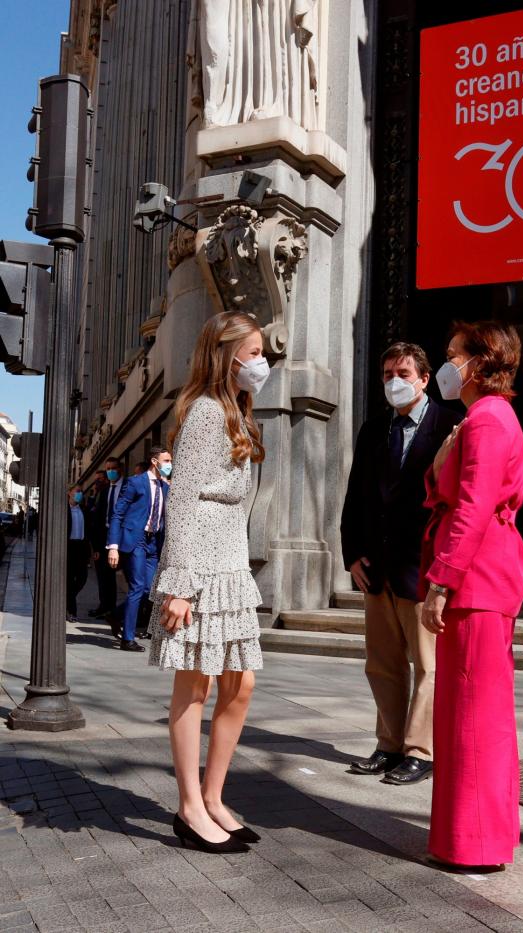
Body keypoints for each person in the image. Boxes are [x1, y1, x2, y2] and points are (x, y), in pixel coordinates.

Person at [147, 310, 267, 855]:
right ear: (226, 355)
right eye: (256, 353)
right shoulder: (201, 413)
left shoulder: (238, 413)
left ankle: (215, 797)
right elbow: (184, 500)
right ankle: (190, 805)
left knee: (239, 684)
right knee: (194, 684)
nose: (262, 363)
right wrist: (179, 582)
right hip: (199, 569)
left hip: (231, 564)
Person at [420, 320, 523, 875]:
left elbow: (472, 506)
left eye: (452, 354)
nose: (447, 364)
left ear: (479, 361)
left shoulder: (487, 419)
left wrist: (442, 580)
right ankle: (481, 835)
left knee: (472, 714)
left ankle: (474, 843)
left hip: (477, 579)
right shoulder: (484, 418)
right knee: (478, 711)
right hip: (484, 576)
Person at [341, 342, 461, 785]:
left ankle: (420, 750)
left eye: (404, 372)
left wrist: (445, 569)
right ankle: (389, 745)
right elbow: (355, 497)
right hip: (376, 569)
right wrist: (351, 554)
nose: (395, 380)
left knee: (428, 665)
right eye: (388, 372)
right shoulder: (373, 429)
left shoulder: (451, 424)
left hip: (422, 567)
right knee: (382, 664)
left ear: (425, 378)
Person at [106, 447, 172, 651]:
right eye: (167, 460)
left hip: (154, 542)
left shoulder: (165, 486)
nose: (170, 464)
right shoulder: (135, 483)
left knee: (148, 590)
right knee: (137, 586)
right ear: (154, 461)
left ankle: (116, 614)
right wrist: (113, 547)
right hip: (136, 540)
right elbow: (117, 514)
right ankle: (127, 638)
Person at [89, 459, 124, 620]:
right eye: (108, 469)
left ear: (120, 469)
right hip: (105, 540)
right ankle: (106, 607)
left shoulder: (127, 487)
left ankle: (121, 611)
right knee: (104, 577)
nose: (110, 472)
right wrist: (96, 547)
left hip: (124, 539)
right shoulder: (104, 492)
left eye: (113, 469)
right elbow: (96, 520)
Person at [67, 485, 91, 623]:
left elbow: (89, 531)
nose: (80, 494)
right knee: (70, 580)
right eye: (77, 491)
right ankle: (72, 611)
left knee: (82, 579)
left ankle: (67, 598)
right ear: (69, 493)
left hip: (81, 547)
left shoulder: (84, 510)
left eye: (81, 491)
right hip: (69, 547)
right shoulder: (63, 510)